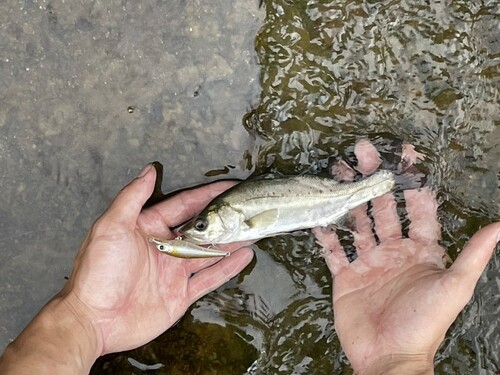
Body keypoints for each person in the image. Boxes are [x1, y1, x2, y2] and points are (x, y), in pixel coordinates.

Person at [0, 141, 498, 375]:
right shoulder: (234, 215)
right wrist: (401, 364)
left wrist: (85, 318)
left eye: (200, 226)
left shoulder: (235, 215)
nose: (196, 232)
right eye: (197, 228)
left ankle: (382, 180)